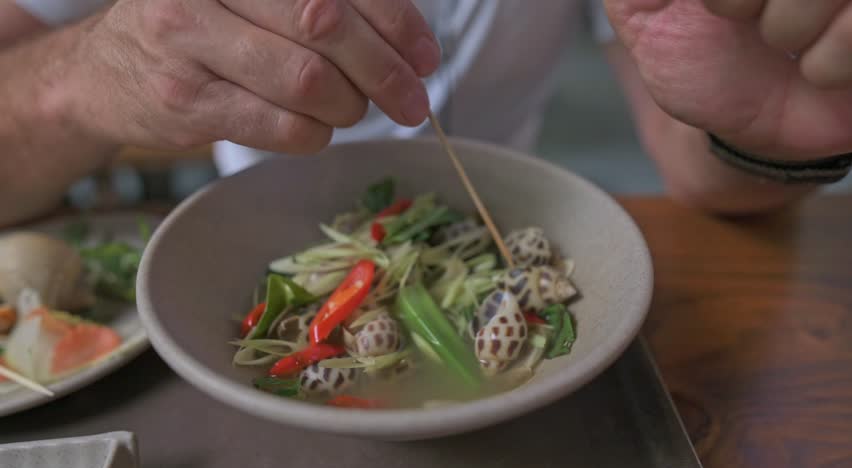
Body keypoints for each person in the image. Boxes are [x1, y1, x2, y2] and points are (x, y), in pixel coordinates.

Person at [1, 0, 850, 228]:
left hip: (505, 243)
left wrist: (761, 126)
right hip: (236, 266)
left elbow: (688, 160)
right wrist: (81, 79)